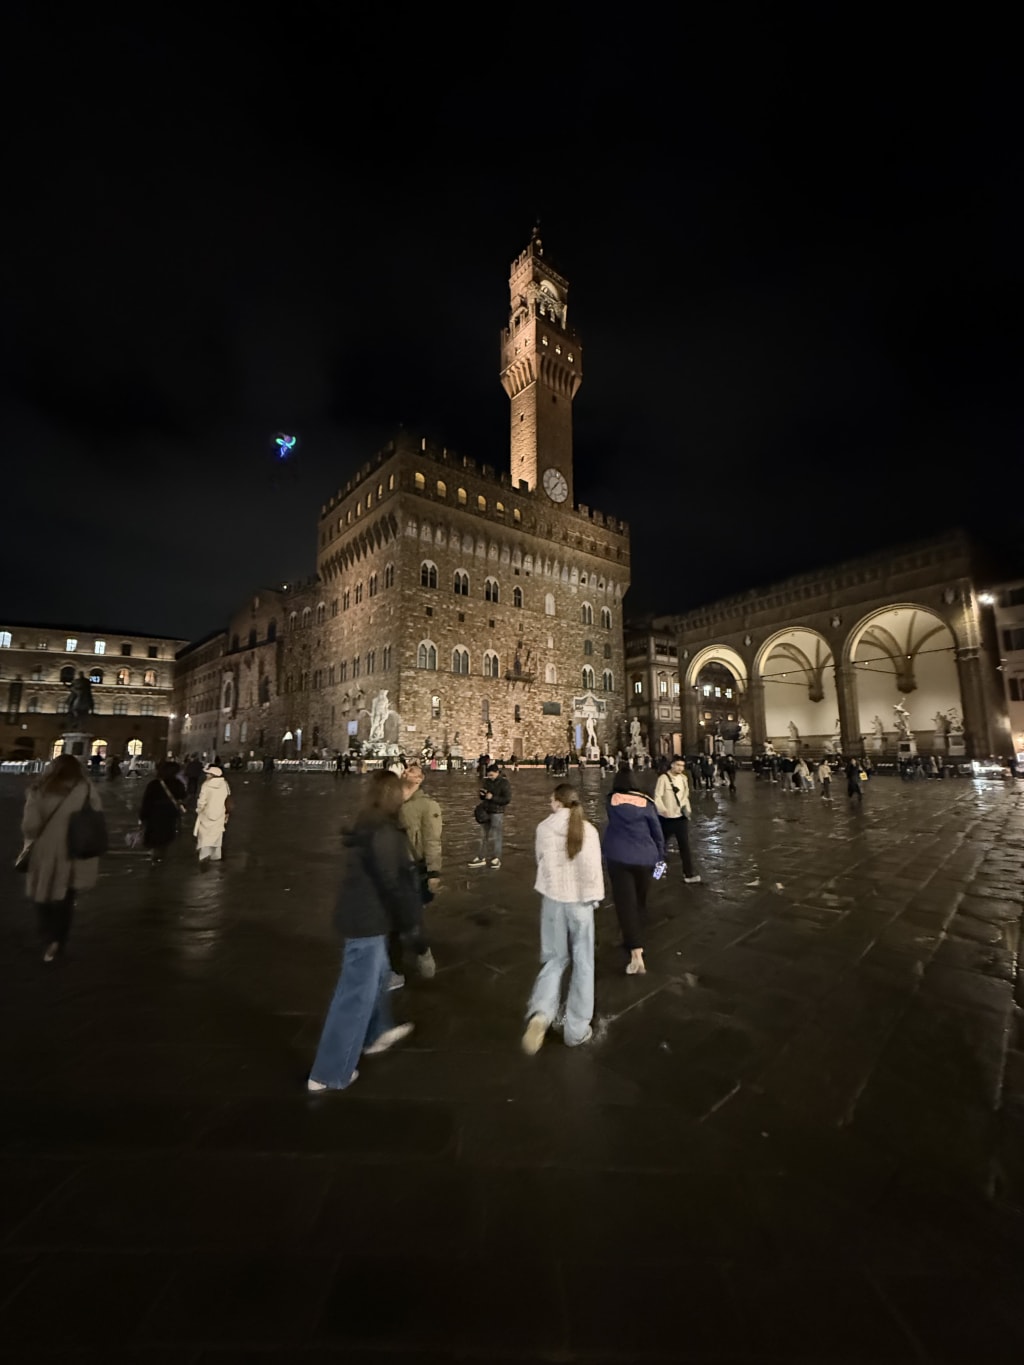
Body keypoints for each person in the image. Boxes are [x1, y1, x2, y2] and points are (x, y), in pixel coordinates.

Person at [307, 770, 421, 1091]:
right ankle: (329, 1073)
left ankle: (378, 1031)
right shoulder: (384, 832)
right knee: (355, 994)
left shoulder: (368, 819)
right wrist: (411, 923)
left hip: (362, 916)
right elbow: (394, 884)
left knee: (381, 975)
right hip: (368, 921)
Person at [522, 784, 604, 1055]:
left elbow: (540, 861)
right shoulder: (589, 831)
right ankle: (576, 1029)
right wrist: (593, 899)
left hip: (553, 901)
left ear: (557, 802)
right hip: (580, 903)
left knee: (554, 959)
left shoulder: (544, 828)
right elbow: (592, 869)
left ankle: (541, 1015)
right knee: (583, 963)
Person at [19, 755, 101, 962]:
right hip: (75, 848)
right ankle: (59, 940)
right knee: (66, 897)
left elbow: (30, 826)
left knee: (43, 895)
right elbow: (97, 813)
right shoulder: (87, 788)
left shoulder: (40, 789)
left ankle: (47, 937)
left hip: (46, 850)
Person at [603, 766, 666, 976]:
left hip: (618, 856)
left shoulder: (611, 802)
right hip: (646, 858)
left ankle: (635, 951)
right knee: (640, 899)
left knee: (624, 903)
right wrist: (660, 859)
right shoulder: (647, 804)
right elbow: (657, 833)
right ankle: (636, 933)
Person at [393, 761, 442, 986]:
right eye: (405, 769)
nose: (405, 772)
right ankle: (394, 970)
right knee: (390, 923)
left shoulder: (427, 805)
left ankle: (422, 951)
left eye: (411, 771)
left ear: (419, 778)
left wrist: (433, 872)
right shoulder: (390, 801)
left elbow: (432, 841)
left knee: (411, 922)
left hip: (412, 869)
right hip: (391, 868)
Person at [653, 756, 701, 883]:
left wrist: (688, 810)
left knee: (685, 846)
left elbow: (685, 797)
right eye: (678, 765)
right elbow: (657, 797)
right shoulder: (663, 779)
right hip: (666, 818)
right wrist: (663, 810)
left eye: (682, 766)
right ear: (672, 765)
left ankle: (688, 874)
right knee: (661, 845)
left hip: (680, 818)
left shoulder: (684, 778)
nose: (680, 768)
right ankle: (658, 871)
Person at [139, 761, 187, 864]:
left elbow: (147, 801)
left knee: (155, 837)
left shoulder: (154, 784)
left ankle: (155, 858)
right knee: (166, 837)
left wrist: (143, 817)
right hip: (170, 814)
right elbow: (183, 796)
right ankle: (161, 857)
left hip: (154, 815)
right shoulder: (178, 783)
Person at [468, 762, 511, 868]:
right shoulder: (487, 781)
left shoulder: (504, 783)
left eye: (492, 775)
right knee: (483, 835)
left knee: (496, 835)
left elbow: (506, 799)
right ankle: (481, 857)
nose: (490, 777)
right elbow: (484, 796)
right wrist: (482, 795)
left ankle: (496, 858)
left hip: (497, 812)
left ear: (497, 773)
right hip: (486, 811)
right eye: (489, 775)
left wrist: (492, 798)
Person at [194, 764, 232, 867]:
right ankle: (216, 855)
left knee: (205, 835)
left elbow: (202, 800)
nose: (206, 775)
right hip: (220, 813)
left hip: (207, 813)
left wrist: (199, 809)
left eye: (208, 773)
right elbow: (227, 798)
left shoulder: (206, 785)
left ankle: (204, 854)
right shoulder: (224, 784)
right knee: (217, 835)